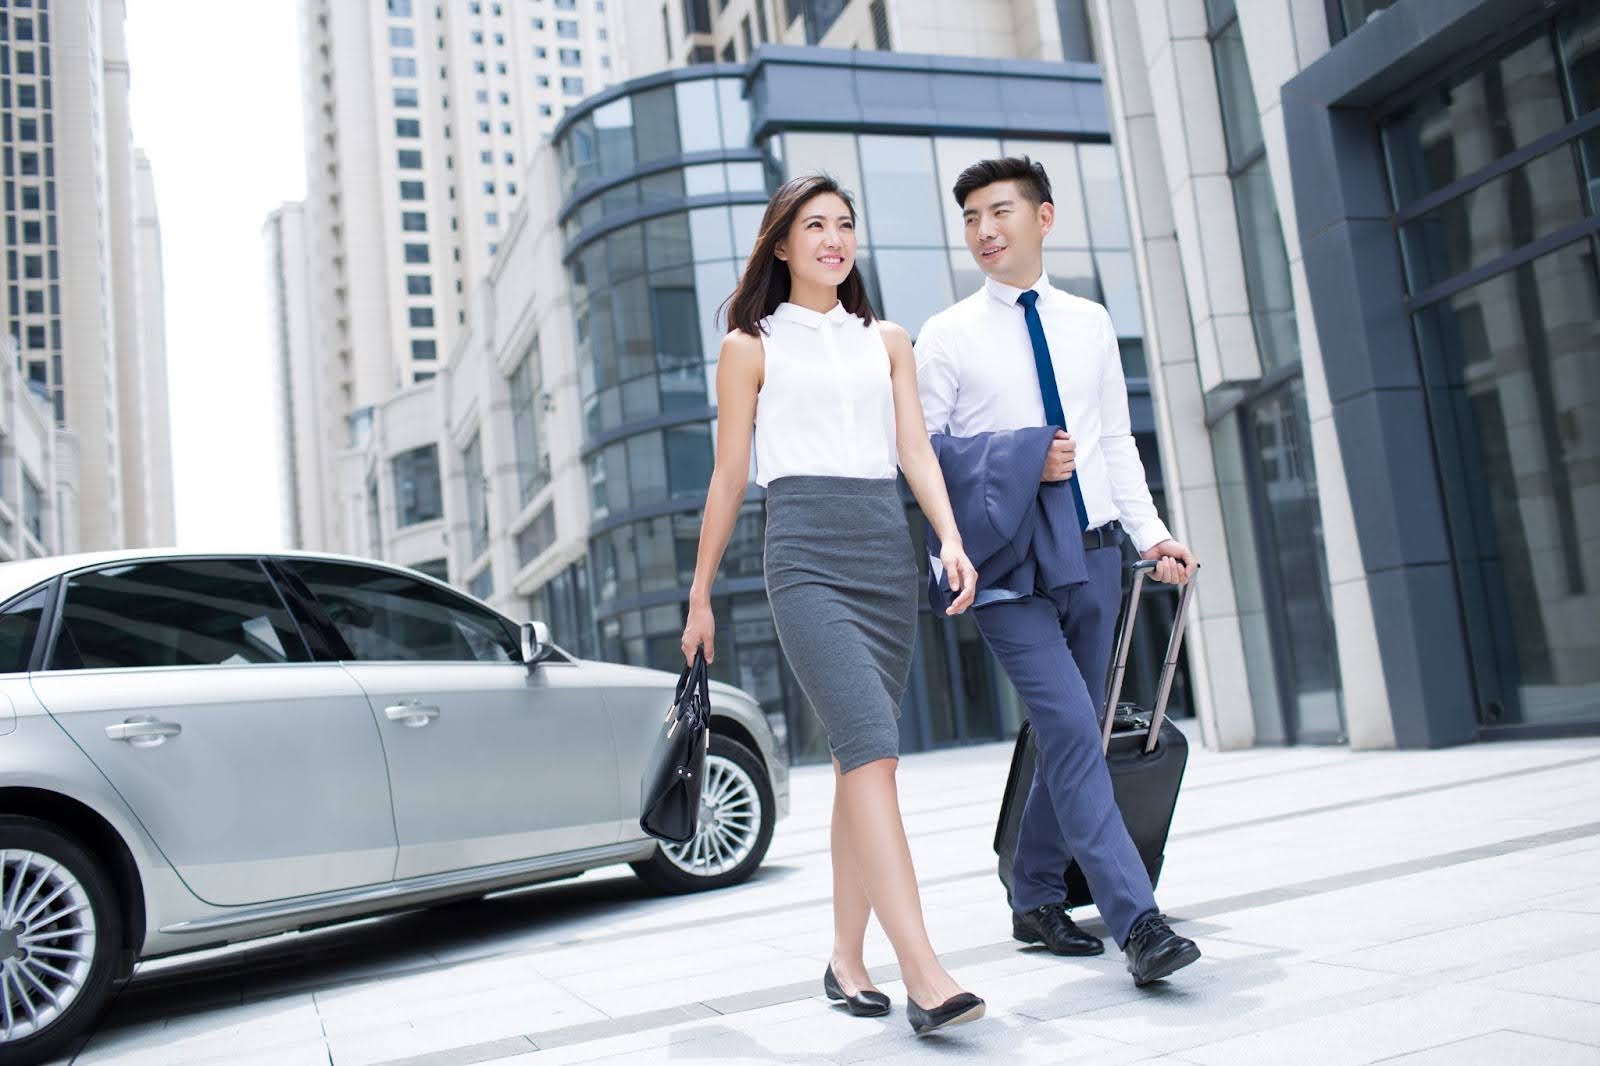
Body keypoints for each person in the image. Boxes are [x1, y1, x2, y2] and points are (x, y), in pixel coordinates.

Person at [679, 173, 987, 1035]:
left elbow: (915, 450)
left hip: (884, 551)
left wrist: (949, 538)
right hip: (806, 553)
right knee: (873, 750)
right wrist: (700, 593)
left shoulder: (885, 340)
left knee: (863, 765)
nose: (833, 238)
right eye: (813, 226)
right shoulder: (750, 346)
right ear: (781, 245)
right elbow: (730, 475)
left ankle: (846, 961)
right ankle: (923, 972)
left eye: (844, 224)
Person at [914, 156, 1203, 987]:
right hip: (1005, 567)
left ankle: (1035, 892)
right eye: (969, 216)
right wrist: (1023, 459)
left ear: (1044, 216)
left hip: (1095, 550)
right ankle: (1137, 922)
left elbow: (1115, 439)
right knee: (1077, 732)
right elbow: (920, 460)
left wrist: (1153, 537)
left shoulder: (1089, 322)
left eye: (998, 210)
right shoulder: (947, 336)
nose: (983, 229)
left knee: (1066, 732)